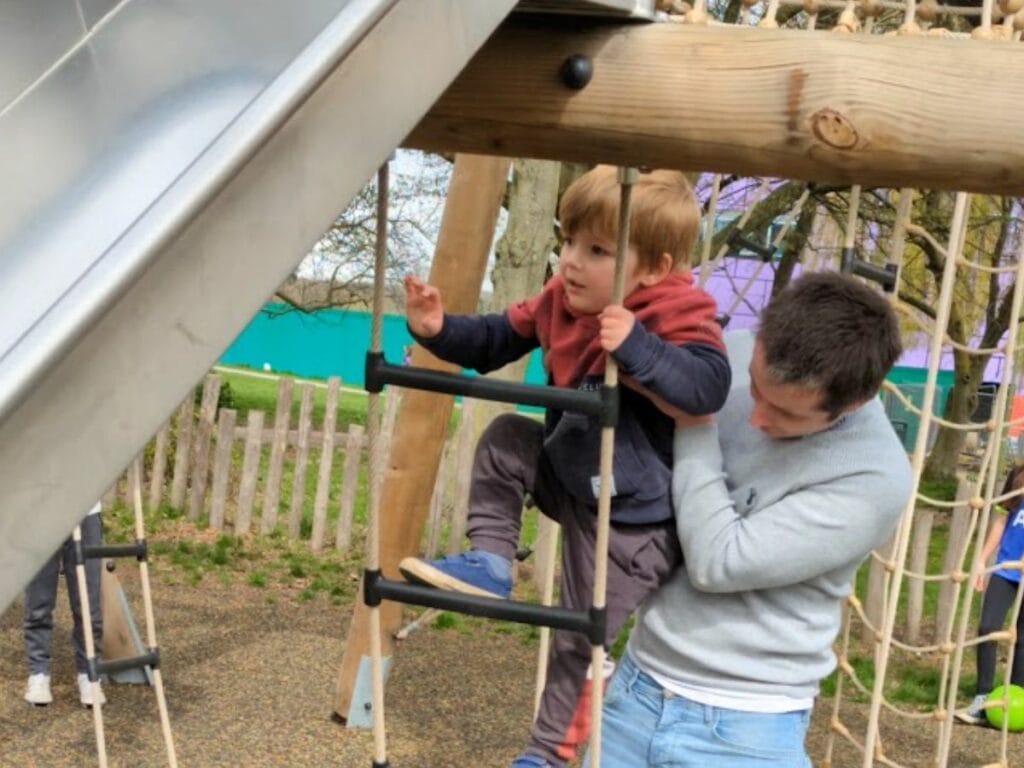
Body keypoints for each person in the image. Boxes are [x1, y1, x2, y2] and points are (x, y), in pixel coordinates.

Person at [398, 165, 732, 768]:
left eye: (597, 250)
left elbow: (707, 388)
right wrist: (439, 330)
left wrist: (637, 346)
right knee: (504, 439)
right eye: (568, 241)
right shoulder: (563, 299)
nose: (571, 261)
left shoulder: (676, 309)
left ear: (653, 268)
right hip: (572, 472)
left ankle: (547, 755)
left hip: (632, 521)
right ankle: (492, 561)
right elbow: (499, 336)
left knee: (579, 635)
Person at [587, 272, 913, 767]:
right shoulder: (732, 353)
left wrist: (694, 420)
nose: (757, 417)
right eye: (757, 390)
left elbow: (718, 562)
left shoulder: (874, 477)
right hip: (635, 688)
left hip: (745, 729)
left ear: (854, 404)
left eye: (786, 414)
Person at [957, 463, 1024, 725]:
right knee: (988, 627)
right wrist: (981, 561)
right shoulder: (1018, 475)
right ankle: (983, 697)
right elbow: (1001, 521)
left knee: (1022, 638)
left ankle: (1017, 699)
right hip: (1005, 571)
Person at [24, 502, 106, 708]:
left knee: (88, 605)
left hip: (86, 512)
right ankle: (38, 673)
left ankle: (89, 674)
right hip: (41, 509)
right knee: (39, 601)